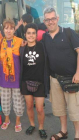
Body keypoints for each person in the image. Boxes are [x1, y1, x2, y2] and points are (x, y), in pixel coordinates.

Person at [43, 7, 79, 140]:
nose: (50, 22)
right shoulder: (45, 37)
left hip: (72, 78)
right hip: (55, 79)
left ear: (57, 19)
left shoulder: (68, 33)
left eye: (53, 18)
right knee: (59, 108)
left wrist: (78, 73)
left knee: (74, 110)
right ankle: (64, 131)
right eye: (47, 20)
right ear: (44, 21)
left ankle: (77, 134)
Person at [19, 23, 49, 139]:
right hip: (26, 81)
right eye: (28, 33)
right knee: (29, 105)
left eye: (33, 33)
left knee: (40, 108)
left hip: (40, 81)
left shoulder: (42, 47)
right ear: (25, 34)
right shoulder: (22, 48)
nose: (31, 35)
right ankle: (32, 125)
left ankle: (41, 127)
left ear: (36, 34)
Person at [0, 19, 25, 132]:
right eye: (6, 28)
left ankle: (18, 121)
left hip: (17, 77)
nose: (8, 31)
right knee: (5, 100)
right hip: (3, 76)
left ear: (14, 29)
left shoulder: (21, 41)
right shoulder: (0, 42)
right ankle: (7, 119)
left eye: (11, 28)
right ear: (3, 30)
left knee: (18, 100)